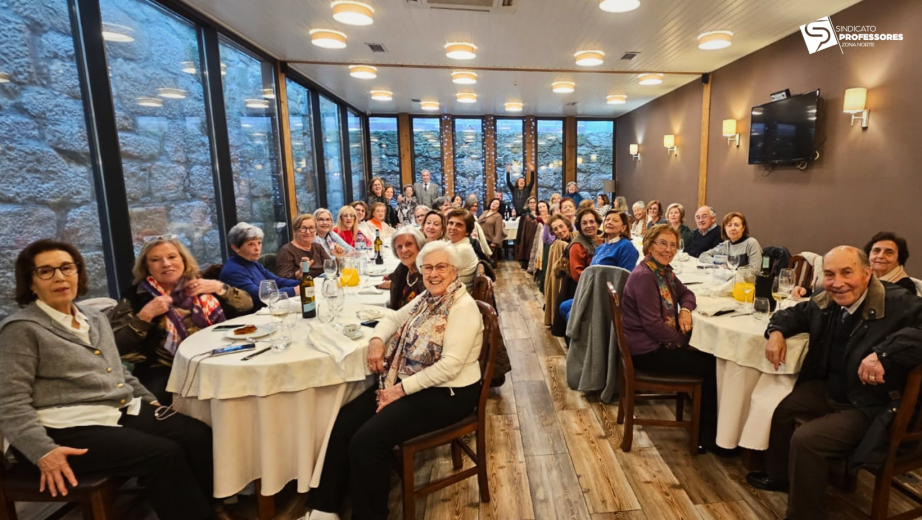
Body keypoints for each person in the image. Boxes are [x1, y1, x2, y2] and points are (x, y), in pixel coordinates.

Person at [0, 239, 225, 520]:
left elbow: (117, 369)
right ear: (30, 282)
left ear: (78, 273)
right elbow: (10, 402)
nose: (59, 277)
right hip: (61, 428)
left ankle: (209, 508)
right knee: (163, 454)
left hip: (114, 410)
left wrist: (148, 400)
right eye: (45, 271)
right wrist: (42, 452)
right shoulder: (21, 329)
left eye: (67, 267)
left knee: (197, 433)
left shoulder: (92, 317)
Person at [304, 241, 483, 520]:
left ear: (455, 271)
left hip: (450, 393)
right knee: (343, 422)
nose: (433, 274)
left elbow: (450, 366)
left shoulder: (463, 307)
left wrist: (399, 390)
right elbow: (392, 318)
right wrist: (376, 340)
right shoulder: (427, 298)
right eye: (427, 268)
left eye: (441, 267)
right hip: (410, 381)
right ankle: (325, 509)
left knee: (367, 442)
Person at [746, 246, 922, 520]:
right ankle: (782, 477)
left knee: (807, 440)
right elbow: (794, 313)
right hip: (834, 389)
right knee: (781, 407)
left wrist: (884, 353)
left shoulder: (897, 302)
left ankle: (804, 515)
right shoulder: (826, 299)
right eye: (829, 274)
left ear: (867, 274)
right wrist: (776, 331)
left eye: (846, 273)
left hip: (870, 403)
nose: (837, 283)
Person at [111, 236, 252, 404]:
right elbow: (115, 344)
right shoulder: (136, 296)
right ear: (146, 267)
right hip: (167, 366)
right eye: (155, 260)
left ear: (183, 260)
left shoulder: (200, 284)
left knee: (248, 381)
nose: (166, 264)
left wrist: (221, 288)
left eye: (172, 257)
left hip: (219, 354)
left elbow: (247, 305)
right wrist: (144, 316)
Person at [621, 225, 722, 453]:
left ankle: (707, 427)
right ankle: (706, 437)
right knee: (711, 364)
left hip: (653, 344)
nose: (668, 249)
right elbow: (654, 327)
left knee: (705, 356)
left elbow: (687, 294)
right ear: (650, 245)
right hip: (646, 352)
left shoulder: (663, 271)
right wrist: (687, 343)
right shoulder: (645, 276)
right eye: (663, 244)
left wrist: (685, 310)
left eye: (673, 245)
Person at [219, 222, 299, 308]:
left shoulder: (253, 263)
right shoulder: (233, 271)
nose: (257, 248)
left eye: (259, 243)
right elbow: (259, 296)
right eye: (251, 244)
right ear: (236, 248)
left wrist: (304, 283)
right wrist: (294, 291)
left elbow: (276, 281)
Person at [276, 214, 331, 279]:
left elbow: (331, 268)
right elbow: (284, 279)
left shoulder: (318, 247)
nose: (308, 232)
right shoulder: (286, 251)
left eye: (311, 228)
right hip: (302, 285)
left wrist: (338, 256)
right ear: (295, 230)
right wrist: (300, 272)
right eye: (303, 228)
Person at [384, 227, 427, 310]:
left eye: (409, 244)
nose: (403, 250)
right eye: (399, 247)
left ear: (419, 246)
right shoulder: (402, 271)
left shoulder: (428, 274)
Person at [445, 209, 485, 292]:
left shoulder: (462, 249)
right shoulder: (452, 243)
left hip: (457, 295)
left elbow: (440, 275)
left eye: (459, 225)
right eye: (451, 223)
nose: (453, 227)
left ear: (467, 232)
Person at [543, 214, 573, 326]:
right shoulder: (557, 246)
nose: (560, 231)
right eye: (555, 229)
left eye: (561, 226)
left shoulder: (576, 238)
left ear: (568, 225)